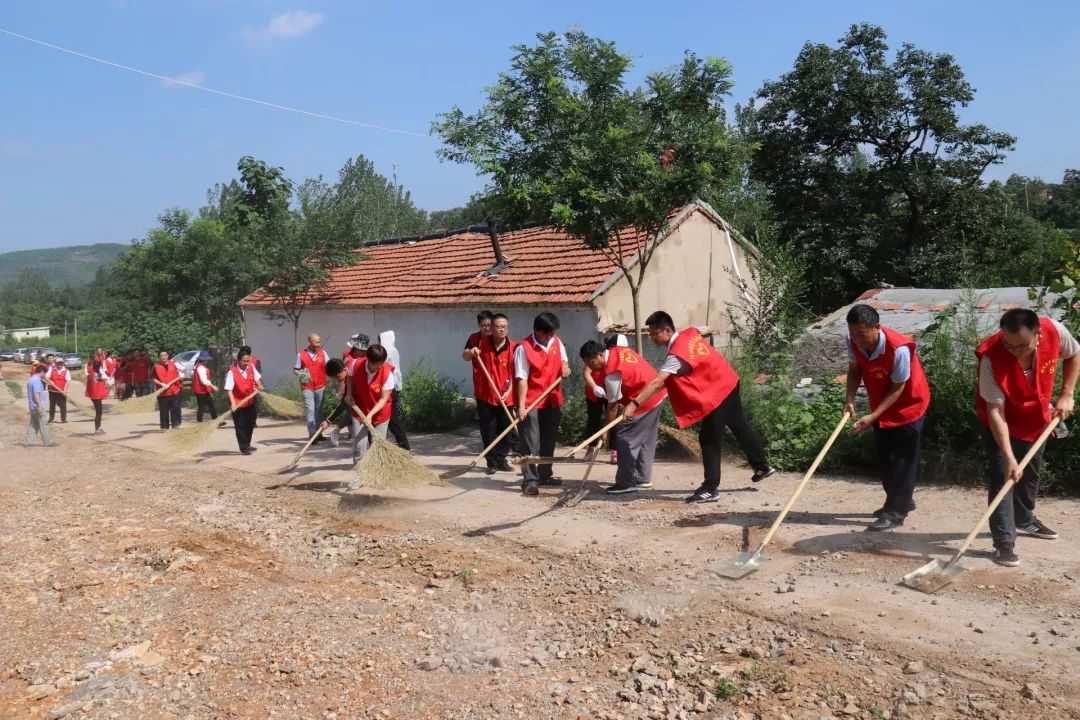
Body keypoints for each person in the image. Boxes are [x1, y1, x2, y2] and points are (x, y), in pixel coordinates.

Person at [629, 311, 776, 503]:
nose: (652, 338)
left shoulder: (676, 355)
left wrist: (634, 403)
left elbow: (658, 383)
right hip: (728, 381)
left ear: (667, 330)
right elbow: (699, 330)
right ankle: (762, 466)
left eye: (654, 334)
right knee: (739, 426)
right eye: (650, 334)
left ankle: (710, 488)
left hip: (717, 391)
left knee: (709, 439)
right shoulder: (688, 334)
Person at [976, 308, 1080, 567]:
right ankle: (1004, 541)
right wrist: (1010, 457)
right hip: (1002, 422)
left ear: (1038, 334)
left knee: (1030, 473)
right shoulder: (991, 358)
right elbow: (995, 411)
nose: (1014, 351)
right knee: (1004, 476)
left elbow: (1074, 354)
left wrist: (1067, 394)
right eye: (1008, 345)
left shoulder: (1055, 331)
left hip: (1037, 418)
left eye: (1021, 345)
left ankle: (1025, 519)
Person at [843, 304, 932, 531]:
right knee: (886, 458)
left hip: (909, 405)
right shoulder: (853, 340)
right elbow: (855, 370)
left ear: (877, 327)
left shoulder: (899, 349)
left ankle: (896, 512)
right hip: (881, 405)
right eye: (853, 333)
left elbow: (897, 388)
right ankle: (901, 500)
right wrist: (850, 399)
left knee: (903, 460)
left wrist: (872, 416)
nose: (857, 339)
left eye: (862, 334)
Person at [581, 339, 667, 494]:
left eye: (592, 362)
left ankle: (625, 483)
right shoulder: (617, 350)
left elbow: (613, 406)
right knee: (646, 438)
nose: (592, 368)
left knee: (624, 437)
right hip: (657, 392)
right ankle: (642, 479)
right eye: (588, 364)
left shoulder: (611, 374)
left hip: (644, 398)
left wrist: (606, 431)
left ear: (600, 355)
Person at [515, 312, 571, 496]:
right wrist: (522, 406)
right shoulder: (524, 348)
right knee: (530, 442)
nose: (550, 336)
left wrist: (564, 366)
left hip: (553, 398)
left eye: (552, 333)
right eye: (547, 333)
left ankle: (545, 475)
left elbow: (563, 359)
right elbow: (522, 378)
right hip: (532, 401)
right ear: (537, 331)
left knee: (549, 440)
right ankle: (530, 481)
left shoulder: (555, 340)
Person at [465, 313, 517, 473]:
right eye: (498, 327)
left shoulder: (514, 347)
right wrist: (471, 351)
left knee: (506, 431)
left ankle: (501, 459)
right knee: (488, 430)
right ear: (492, 328)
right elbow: (465, 356)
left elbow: (516, 374)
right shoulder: (480, 344)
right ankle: (491, 462)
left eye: (504, 327)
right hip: (485, 395)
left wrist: (509, 392)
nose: (501, 330)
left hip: (505, 396)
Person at [345, 344, 395, 485]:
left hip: (380, 414)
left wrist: (371, 414)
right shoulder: (355, 364)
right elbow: (349, 376)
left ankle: (379, 476)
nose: (378, 368)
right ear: (367, 359)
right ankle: (359, 476)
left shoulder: (387, 373)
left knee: (378, 446)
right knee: (360, 446)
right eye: (375, 365)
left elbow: (384, 399)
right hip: (359, 409)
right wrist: (349, 394)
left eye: (381, 364)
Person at [584, 335, 628, 465]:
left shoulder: (622, 358)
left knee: (614, 422)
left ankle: (614, 450)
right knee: (593, 420)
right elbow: (586, 372)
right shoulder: (597, 356)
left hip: (613, 394)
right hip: (595, 392)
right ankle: (591, 447)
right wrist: (594, 387)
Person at [225, 348, 263, 455]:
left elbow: (257, 378)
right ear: (238, 360)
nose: (246, 363)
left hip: (250, 400)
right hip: (238, 402)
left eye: (247, 361)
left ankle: (248, 443)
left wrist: (259, 384)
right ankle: (243, 447)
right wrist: (233, 404)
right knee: (240, 425)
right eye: (244, 361)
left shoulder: (251, 366)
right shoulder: (232, 372)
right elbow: (229, 390)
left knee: (250, 423)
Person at [294, 333, 330, 440]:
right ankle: (312, 434)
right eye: (316, 343)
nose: (318, 345)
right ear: (309, 342)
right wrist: (301, 374)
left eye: (319, 342)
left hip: (321, 386)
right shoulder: (301, 354)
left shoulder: (323, 353)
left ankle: (319, 433)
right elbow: (296, 369)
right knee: (310, 409)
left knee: (319, 410)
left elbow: (329, 365)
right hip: (307, 387)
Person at [378, 331, 410, 450]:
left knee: (392, 418)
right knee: (394, 417)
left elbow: (382, 368)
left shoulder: (386, 350)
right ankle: (403, 445)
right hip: (394, 385)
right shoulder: (393, 349)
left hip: (389, 386)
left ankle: (403, 446)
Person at [463, 310, 495, 403]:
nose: (486, 328)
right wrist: (470, 352)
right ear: (479, 325)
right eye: (483, 325)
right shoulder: (474, 338)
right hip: (481, 383)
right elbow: (465, 356)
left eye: (489, 325)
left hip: (497, 383)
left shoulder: (497, 338)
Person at [153, 350, 183, 430]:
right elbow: (153, 379)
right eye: (161, 355)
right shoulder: (156, 367)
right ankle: (164, 427)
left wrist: (181, 374)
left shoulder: (174, 364)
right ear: (159, 357)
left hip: (174, 390)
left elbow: (183, 370)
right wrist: (161, 384)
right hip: (163, 392)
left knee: (175, 408)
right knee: (164, 410)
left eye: (165, 355)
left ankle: (175, 424)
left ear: (168, 356)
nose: (163, 357)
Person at [26, 365, 54, 447]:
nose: (45, 374)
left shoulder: (31, 379)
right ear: (42, 372)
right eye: (44, 373)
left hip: (32, 406)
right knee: (44, 424)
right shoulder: (37, 381)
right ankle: (48, 442)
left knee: (33, 424)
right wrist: (40, 406)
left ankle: (29, 442)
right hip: (37, 406)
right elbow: (36, 394)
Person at [192, 350, 218, 422]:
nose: (207, 361)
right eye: (206, 359)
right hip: (201, 391)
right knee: (202, 407)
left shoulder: (200, 366)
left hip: (203, 390)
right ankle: (200, 423)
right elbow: (203, 380)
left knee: (210, 405)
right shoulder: (200, 368)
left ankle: (215, 421)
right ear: (203, 360)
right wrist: (213, 386)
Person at [85, 356, 109, 435]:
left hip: (93, 394)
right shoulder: (96, 373)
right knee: (99, 412)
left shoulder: (91, 372)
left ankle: (98, 427)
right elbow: (105, 377)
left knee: (99, 412)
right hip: (96, 394)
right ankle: (97, 429)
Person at [46, 356, 71, 423]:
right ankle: (51, 418)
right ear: (56, 363)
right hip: (52, 391)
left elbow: (68, 381)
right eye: (58, 363)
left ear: (63, 363)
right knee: (52, 405)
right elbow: (46, 377)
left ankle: (63, 419)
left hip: (61, 391)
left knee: (63, 406)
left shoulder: (66, 371)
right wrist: (49, 381)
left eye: (61, 363)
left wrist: (65, 390)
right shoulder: (51, 369)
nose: (60, 364)